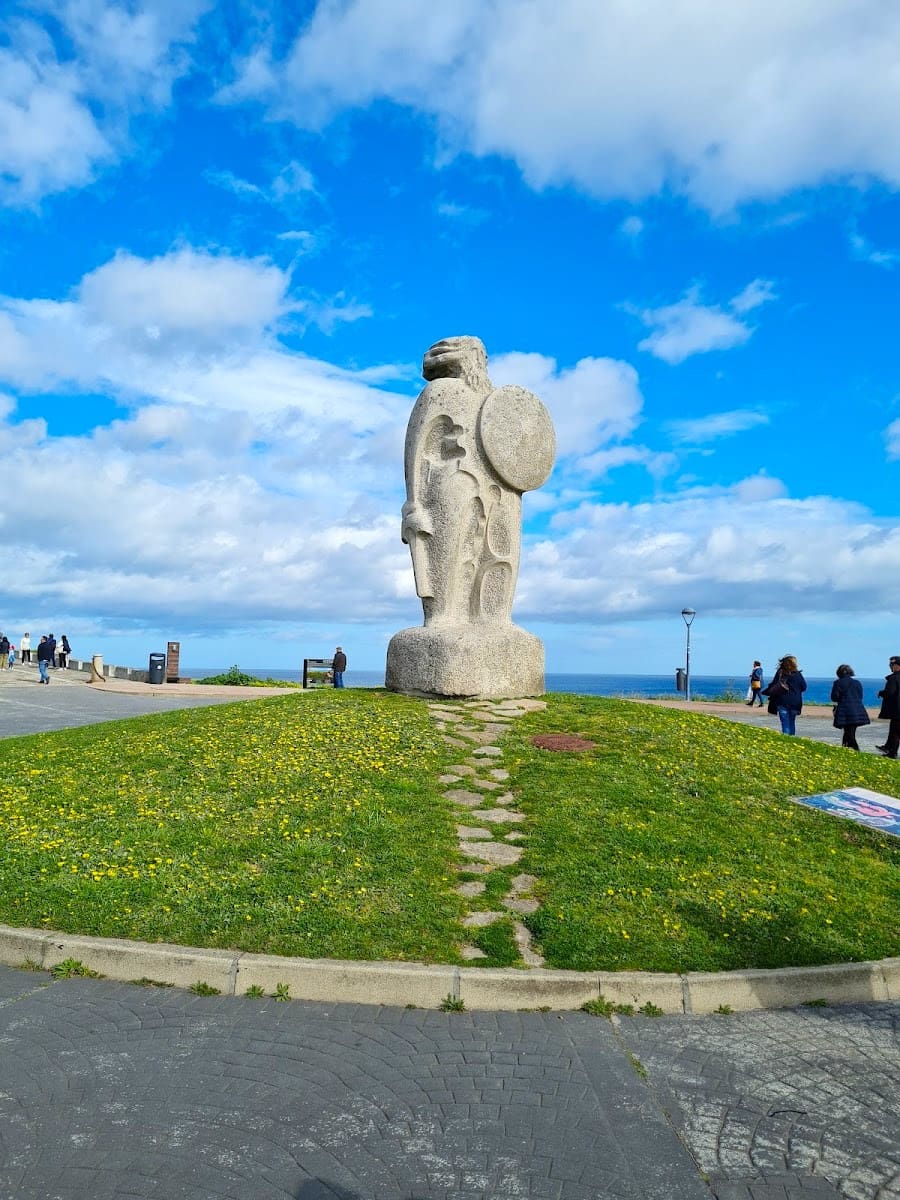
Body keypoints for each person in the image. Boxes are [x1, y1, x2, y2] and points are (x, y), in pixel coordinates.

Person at [762, 654, 807, 735]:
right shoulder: (798, 674)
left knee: (785, 722)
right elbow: (804, 687)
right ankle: (791, 738)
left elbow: (774, 685)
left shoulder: (780, 673)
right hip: (795, 701)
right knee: (792, 721)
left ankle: (786, 737)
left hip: (782, 700)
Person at [831, 664, 870, 751]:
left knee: (849, 733)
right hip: (858, 710)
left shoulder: (838, 683)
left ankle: (856, 750)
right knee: (850, 732)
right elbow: (860, 696)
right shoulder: (857, 683)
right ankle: (845, 749)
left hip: (845, 711)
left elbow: (834, 697)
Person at [876, 655, 900, 759]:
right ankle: (888, 747)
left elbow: (890, 692)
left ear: (896, 666)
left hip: (897, 710)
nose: (890, 666)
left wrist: (881, 693)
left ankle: (892, 752)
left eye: (891, 664)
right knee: (894, 730)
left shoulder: (894, 678)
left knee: (895, 731)